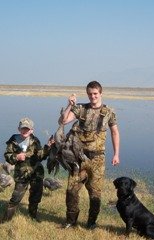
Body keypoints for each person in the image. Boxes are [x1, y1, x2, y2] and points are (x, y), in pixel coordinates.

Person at [60, 80, 120, 229]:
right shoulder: (80, 109)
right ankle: (71, 222)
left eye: (95, 94)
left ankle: (91, 223)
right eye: (89, 94)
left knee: (95, 193)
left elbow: (115, 132)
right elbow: (63, 121)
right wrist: (69, 105)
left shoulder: (109, 112)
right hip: (78, 158)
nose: (92, 96)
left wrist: (116, 154)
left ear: (100, 93)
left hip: (97, 159)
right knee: (71, 190)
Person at [2, 117, 54, 223]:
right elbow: (7, 156)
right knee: (16, 197)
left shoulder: (35, 140)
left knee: (35, 197)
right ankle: (6, 220)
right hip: (21, 174)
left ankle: (33, 216)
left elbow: (40, 156)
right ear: (18, 129)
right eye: (23, 128)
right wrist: (16, 157)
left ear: (31, 130)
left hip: (36, 173)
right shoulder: (13, 141)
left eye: (27, 129)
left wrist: (48, 147)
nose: (25, 131)